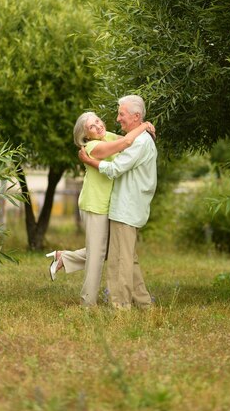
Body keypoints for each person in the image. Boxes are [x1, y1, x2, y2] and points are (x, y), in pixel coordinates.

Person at [46, 111, 155, 308]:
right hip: (95, 205)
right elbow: (125, 143)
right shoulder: (92, 146)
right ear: (86, 136)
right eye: (91, 127)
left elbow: (132, 140)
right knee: (96, 256)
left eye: (97, 121)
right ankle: (88, 304)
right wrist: (145, 125)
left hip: (111, 205)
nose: (97, 127)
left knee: (109, 251)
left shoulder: (108, 136)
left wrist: (142, 129)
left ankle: (64, 257)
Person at [79, 95, 157, 310]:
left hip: (126, 207)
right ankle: (143, 304)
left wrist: (89, 162)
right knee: (127, 259)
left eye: (121, 114)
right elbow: (124, 140)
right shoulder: (135, 138)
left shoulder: (139, 141)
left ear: (136, 116)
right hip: (121, 206)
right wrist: (144, 126)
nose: (117, 118)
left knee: (120, 261)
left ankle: (120, 307)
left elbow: (114, 169)